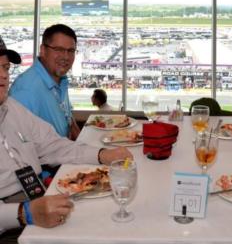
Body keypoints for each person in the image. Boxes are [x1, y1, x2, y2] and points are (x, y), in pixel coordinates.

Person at [0, 35, 133, 242]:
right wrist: (23, 213)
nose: (3, 76)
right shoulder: (25, 92)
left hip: (39, 195)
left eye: (5, 68)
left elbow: (52, 145)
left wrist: (102, 154)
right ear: (43, 50)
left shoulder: (11, 108)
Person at [9, 24, 80, 141]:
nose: (66, 57)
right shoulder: (25, 90)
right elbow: (18, 146)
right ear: (43, 50)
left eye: (71, 51)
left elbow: (67, 117)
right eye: (58, 49)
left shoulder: (60, 80)